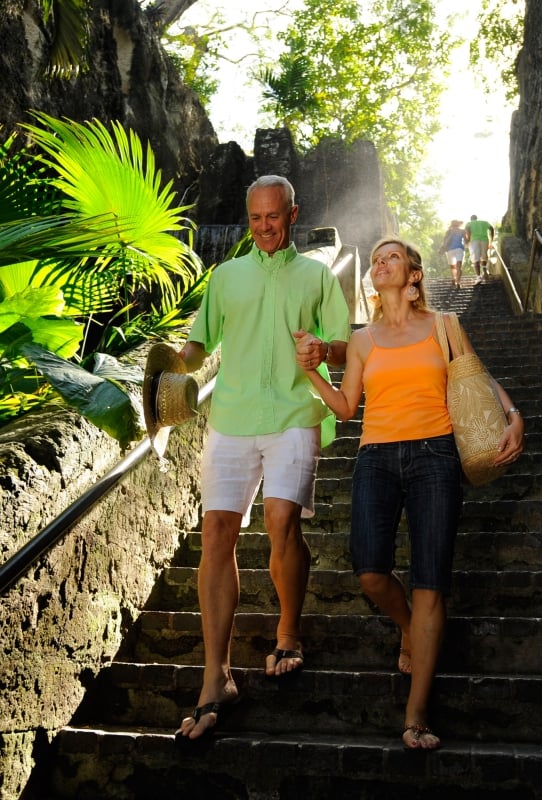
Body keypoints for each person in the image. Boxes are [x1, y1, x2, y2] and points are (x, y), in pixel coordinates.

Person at [295, 235, 524, 750]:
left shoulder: (445, 326)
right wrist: (312, 373)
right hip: (377, 456)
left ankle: (416, 714)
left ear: (414, 275)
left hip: (436, 456)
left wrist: (514, 416)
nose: (380, 262)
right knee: (370, 570)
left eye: (391, 256)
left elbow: (476, 380)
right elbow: (346, 408)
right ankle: (406, 627)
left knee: (429, 582)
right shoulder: (360, 340)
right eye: (375, 258)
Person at [173, 174, 350, 742]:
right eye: (255, 219)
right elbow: (199, 341)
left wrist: (325, 349)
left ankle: (289, 631)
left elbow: (349, 344)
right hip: (230, 416)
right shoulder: (226, 276)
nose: (264, 227)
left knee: (280, 520)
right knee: (217, 531)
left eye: (273, 217)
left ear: (293, 214)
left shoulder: (319, 275)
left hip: (296, 412)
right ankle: (215, 676)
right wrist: (170, 369)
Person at [464, 214, 494, 283]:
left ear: (471, 219)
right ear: (476, 218)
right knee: (484, 257)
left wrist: (467, 241)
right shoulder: (484, 222)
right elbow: (491, 228)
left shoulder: (469, 223)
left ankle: (478, 277)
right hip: (484, 240)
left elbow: (468, 232)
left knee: (475, 259)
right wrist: (491, 239)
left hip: (474, 240)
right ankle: (485, 272)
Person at [439, 220, 465, 289]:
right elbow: (466, 240)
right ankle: (458, 283)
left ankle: (454, 279)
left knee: (453, 267)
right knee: (459, 266)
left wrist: (442, 248)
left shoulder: (449, 231)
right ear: (458, 224)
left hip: (450, 250)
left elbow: (445, 241)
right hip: (459, 249)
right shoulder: (462, 231)